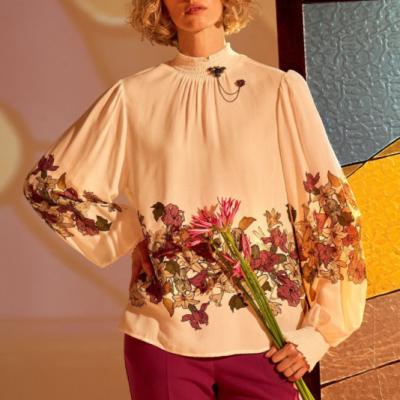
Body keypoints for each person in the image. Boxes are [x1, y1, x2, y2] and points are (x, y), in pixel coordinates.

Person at [22, 0, 368, 399]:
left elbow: (329, 211)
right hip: (162, 339)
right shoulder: (133, 97)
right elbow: (48, 186)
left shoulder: (278, 90)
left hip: (271, 343)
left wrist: (319, 334)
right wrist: (134, 231)